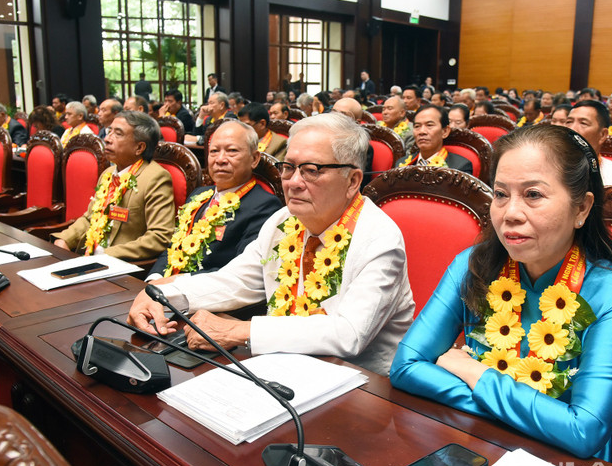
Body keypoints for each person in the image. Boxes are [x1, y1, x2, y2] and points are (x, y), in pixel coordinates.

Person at [390, 124, 612, 466]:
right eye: (500, 194)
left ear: (582, 209)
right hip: (475, 442)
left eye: (533, 195)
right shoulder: (472, 265)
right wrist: (527, 411)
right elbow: (405, 367)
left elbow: (583, 431)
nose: (510, 213)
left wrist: (474, 373)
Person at [126, 113, 415, 376]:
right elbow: (235, 280)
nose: (294, 182)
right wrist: (161, 295)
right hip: (281, 365)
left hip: (362, 387)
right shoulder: (283, 221)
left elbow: (349, 333)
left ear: (352, 180)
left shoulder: (379, 238)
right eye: (288, 167)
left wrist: (241, 331)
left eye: (312, 170)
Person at [147, 120, 282, 280]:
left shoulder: (264, 205)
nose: (220, 159)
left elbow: (241, 272)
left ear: (254, 159)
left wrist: (175, 282)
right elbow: (173, 247)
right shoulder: (199, 195)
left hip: (208, 295)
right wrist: (154, 279)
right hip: (165, 289)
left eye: (232, 151)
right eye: (214, 151)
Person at [52, 111, 174, 261]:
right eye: (109, 131)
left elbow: (159, 236)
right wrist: (64, 239)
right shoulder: (108, 173)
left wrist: (105, 255)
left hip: (119, 264)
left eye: (118, 134)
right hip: (88, 257)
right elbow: (90, 218)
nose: (107, 139)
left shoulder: (155, 178)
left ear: (139, 147)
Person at [565, 100, 612, 186]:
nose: (572, 129)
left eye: (583, 123)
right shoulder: (547, 165)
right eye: (569, 122)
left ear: (602, 135)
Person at [397, 105, 473, 174]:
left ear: (445, 131)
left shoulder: (460, 167)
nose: (422, 131)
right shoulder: (402, 163)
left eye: (429, 125)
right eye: (417, 126)